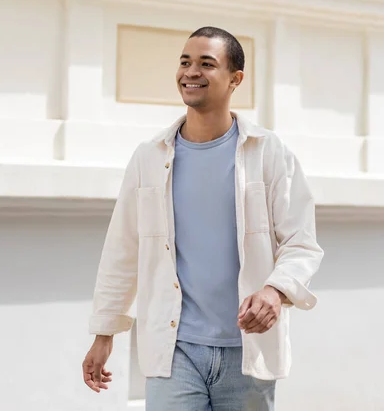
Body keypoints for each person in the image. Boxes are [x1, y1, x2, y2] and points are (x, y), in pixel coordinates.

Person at [82, 26, 323, 410]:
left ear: (235, 79)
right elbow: (122, 249)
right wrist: (104, 331)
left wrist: (275, 290)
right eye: (185, 62)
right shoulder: (149, 156)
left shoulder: (268, 153)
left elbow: (301, 241)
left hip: (245, 352)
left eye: (206, 64)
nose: (190, 72)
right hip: (174, 349)